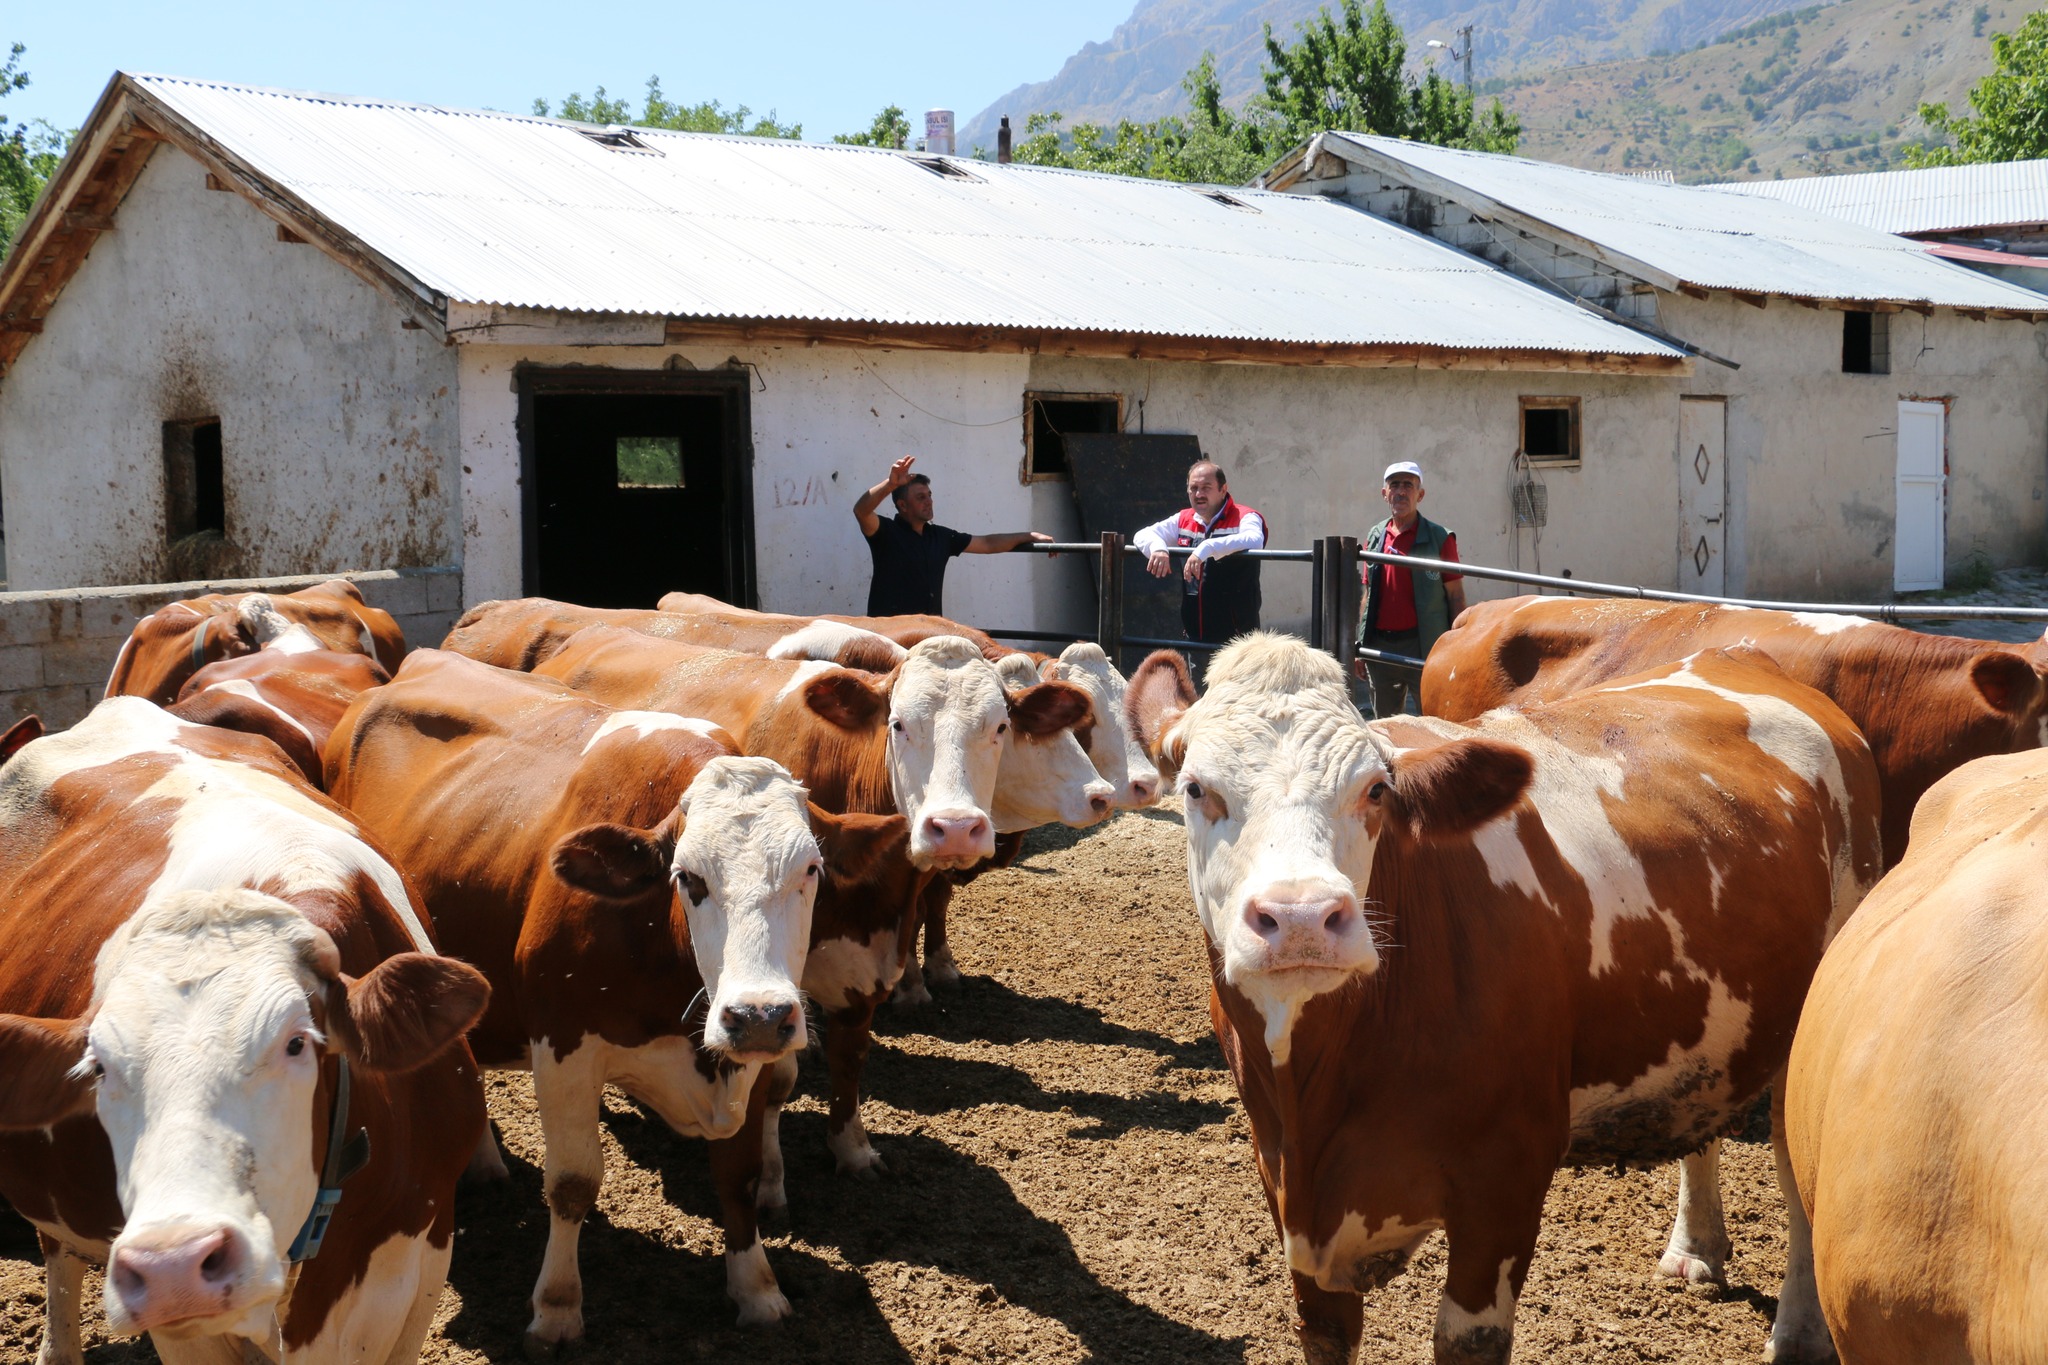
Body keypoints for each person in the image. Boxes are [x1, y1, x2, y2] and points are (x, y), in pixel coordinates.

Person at [853, 456, 1051, 617]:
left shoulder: (941, 536)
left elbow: (988, 543)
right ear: (903, 505)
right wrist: (890, 484)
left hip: (928, 637)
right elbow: (861, 511)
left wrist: (1029, 535)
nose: (929, 501)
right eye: (921, 497)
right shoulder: (886, 532)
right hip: (890, 638)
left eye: (929, 495)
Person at [1355, 460, 1465, 718]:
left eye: (1408, 485)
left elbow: (1456, 595)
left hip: (1425, 644)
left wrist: (1460, 644)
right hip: (1381, 647)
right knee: (1386, 726)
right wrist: (1359, 645)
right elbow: (1367, 594)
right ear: (1385, 494)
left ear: (1420, 494)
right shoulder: (1375, 536)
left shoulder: (1440, 537)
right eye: (1394, 485)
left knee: (1435, 720)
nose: (1401, 492)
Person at [1132, 460, 1267, 649]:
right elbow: (1142, 535)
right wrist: (1158, 548)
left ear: (1223, 489)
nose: (1199, 494)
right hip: (1196, 636)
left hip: (1238, 640)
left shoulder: (1246, 516)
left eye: (1206, 487)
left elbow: (1255, 540)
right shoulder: (1183, 518)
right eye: (1193, 488)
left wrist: (1208, 547)